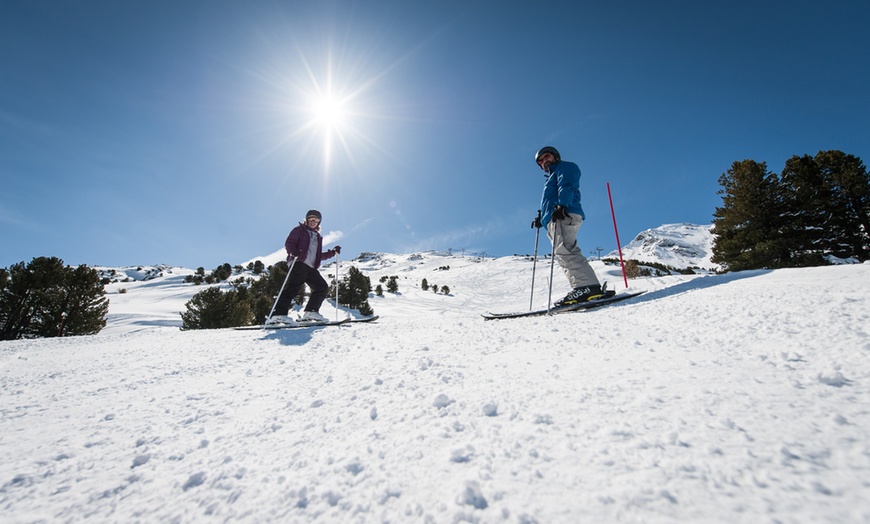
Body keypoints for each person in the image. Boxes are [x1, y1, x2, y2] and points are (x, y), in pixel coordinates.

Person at [532, 146, 604, 306]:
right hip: (555, 217)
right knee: (563, 253)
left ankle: (587, 286)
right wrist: (542, 218)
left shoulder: (565, 167)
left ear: (555, 156)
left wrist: (562, 204)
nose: (544, 161)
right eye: (541, 161)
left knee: (566, 250)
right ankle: (583, 288)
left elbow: (568, 185)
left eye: (546, 157)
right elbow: (550, 200)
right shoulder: (550, 177)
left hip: (564, 214)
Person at [267, 209, 341, 324]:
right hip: (299, 262)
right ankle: (278, 315)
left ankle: (311, 312)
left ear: (319, 223)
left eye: (316, 220)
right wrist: (293, 251)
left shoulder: (318, 237)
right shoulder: (299, 230)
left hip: (311, 267)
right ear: (306, 220)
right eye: (310, 219)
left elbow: (318, 255)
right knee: (293, 287)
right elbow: (290, 242)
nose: (313, 221)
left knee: (322, 287)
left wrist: (332, 253)